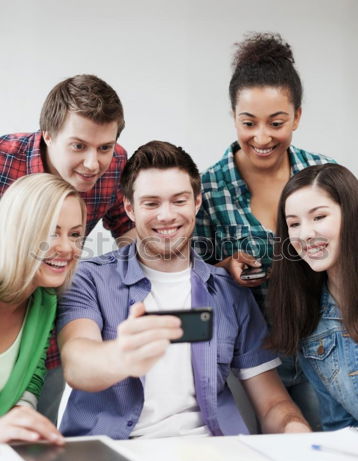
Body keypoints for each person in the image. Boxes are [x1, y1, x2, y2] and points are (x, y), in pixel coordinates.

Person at [56, 140, 310, 438]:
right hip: (116, 459)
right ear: (129, 208)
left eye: (179, 201)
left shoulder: (229, 291)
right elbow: (77, 364)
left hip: (210, 458)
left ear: (197, 203)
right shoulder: (88, 279)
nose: (166, 216)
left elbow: (272, 404)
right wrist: (122, 356)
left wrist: (296, 432)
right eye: (151, 203)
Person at [194, 32, 336, 430]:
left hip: (320, 346)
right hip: (249, 358)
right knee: (253, 457)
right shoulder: (209, 187)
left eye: (277, 123)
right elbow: (193, 276)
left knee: (324, 457)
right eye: (248, 122)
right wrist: (225, 267)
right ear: (232, 117)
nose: (261, 137)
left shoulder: (323, 176)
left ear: (297, 117)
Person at [0, 74, 134, 422]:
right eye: (79, 146)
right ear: (47, 133)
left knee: (31, 428)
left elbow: (130, 233)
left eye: (104, 147)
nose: (93, 164)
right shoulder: (3, 160)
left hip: (41, 326)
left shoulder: (115, 165)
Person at [267, 163, 358, 431]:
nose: (305, 234)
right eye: (294, 224)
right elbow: (341, 429)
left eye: (319, 217)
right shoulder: (310, 323)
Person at [0, 173, 86, 443]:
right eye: (51, 232)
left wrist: (22, 414)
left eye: (75, 235)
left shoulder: (44, 301)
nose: (67, 248)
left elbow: (32, 376)